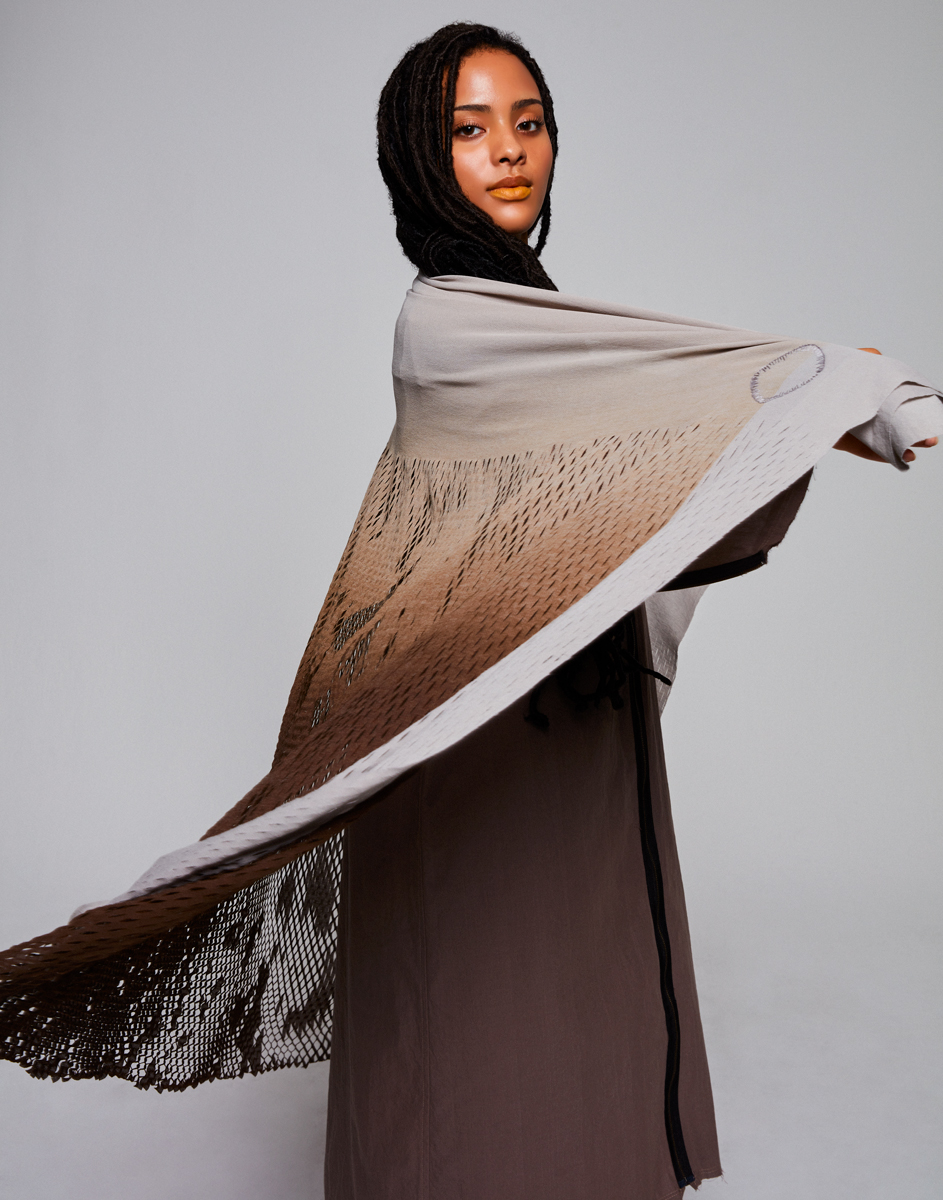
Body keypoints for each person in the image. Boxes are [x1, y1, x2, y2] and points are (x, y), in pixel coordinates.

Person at [0, 22, 938, 1200]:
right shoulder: (452, 324)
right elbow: (695, 384)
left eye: (529, 124)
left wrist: (805, 407)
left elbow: (657, 455)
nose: (509, 150)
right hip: (474, 748)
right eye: (469, 127)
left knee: (582, 1017)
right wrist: (832, 386)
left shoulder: (539, 323)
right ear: (416, 153)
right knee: (469, 1049)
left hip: (572, 733)